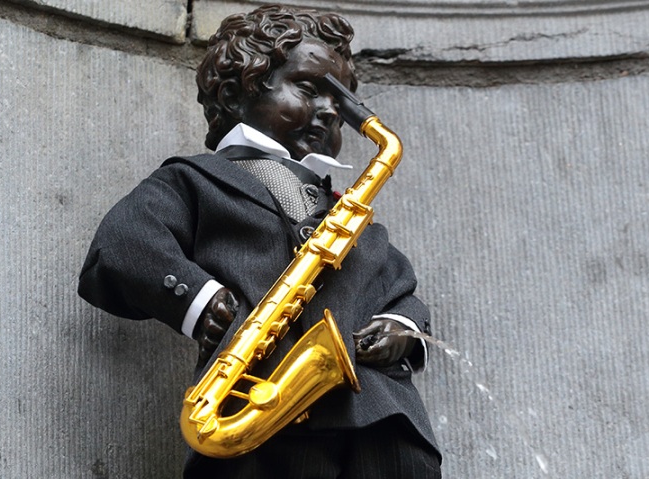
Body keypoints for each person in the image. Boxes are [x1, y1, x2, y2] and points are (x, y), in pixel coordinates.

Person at [78, 5, 441, 478]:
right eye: (310, 89)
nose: (331, 110)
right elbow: (124, 243)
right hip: (258, 400)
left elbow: (398, 284)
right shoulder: (195, 181)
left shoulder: (346, 211)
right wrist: (201, 301)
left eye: (342, 101)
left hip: (378, 413)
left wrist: (401, 327)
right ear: (234, 92)